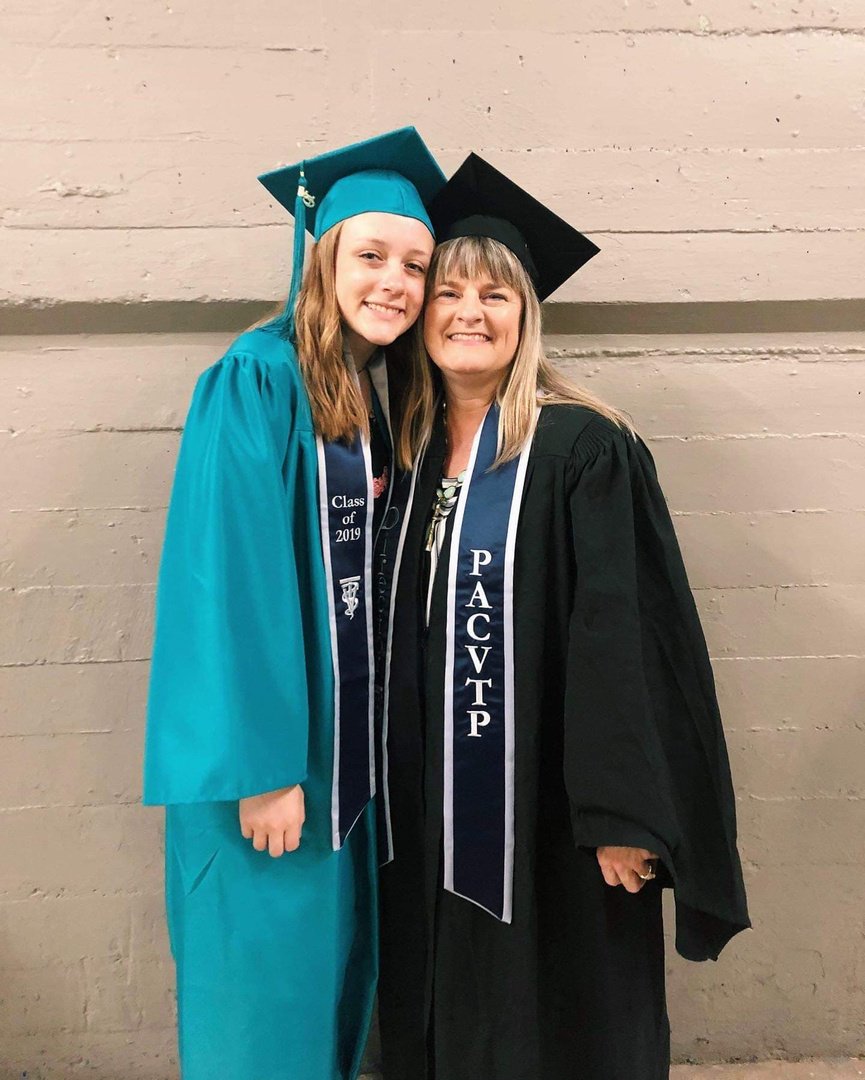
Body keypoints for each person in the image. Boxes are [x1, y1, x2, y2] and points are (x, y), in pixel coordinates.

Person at [375, 154, 750, 1080]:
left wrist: (622, 811)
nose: (468, 312)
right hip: (426, 808)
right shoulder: (406, 456)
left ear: (526, 316)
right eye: (449, 292)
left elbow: (624, 640)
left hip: (550, 808)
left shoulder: (585, 449)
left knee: (561, 1016)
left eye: (495, 296)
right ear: (419, 317)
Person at [142, 127, 445, 1080]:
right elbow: (225, 584)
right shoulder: (257, 379)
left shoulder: (361, 392)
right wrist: (263, 768)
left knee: (318, 995)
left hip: (337, 767)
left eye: (414, 265)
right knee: (258, 1006)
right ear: (320, 256)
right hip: (272, 770)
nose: (394, 281)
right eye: (369, 255)